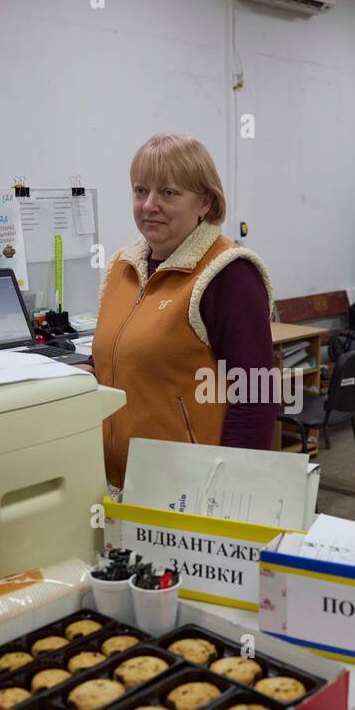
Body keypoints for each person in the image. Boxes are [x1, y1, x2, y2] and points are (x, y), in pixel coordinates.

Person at [92, 134, 276, 489]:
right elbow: (115, 358)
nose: (149, 205)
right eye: (140, 190)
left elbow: (256, 395)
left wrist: (228, 490)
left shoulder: (228, 274)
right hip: (116, 484)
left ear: (205, 202)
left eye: (168, 193)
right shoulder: (122, 267)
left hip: (191, 488)